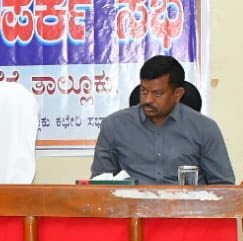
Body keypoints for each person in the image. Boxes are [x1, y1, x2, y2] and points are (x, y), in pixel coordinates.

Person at [92, 55, 233, 184]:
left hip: (187, 203)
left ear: (178, 94)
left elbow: (223, 186)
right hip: (132, 203)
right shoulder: (114, 126)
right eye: (144, 91)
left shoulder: (204, 128)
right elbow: (100, 184)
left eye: (157, 93)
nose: (147, 100)